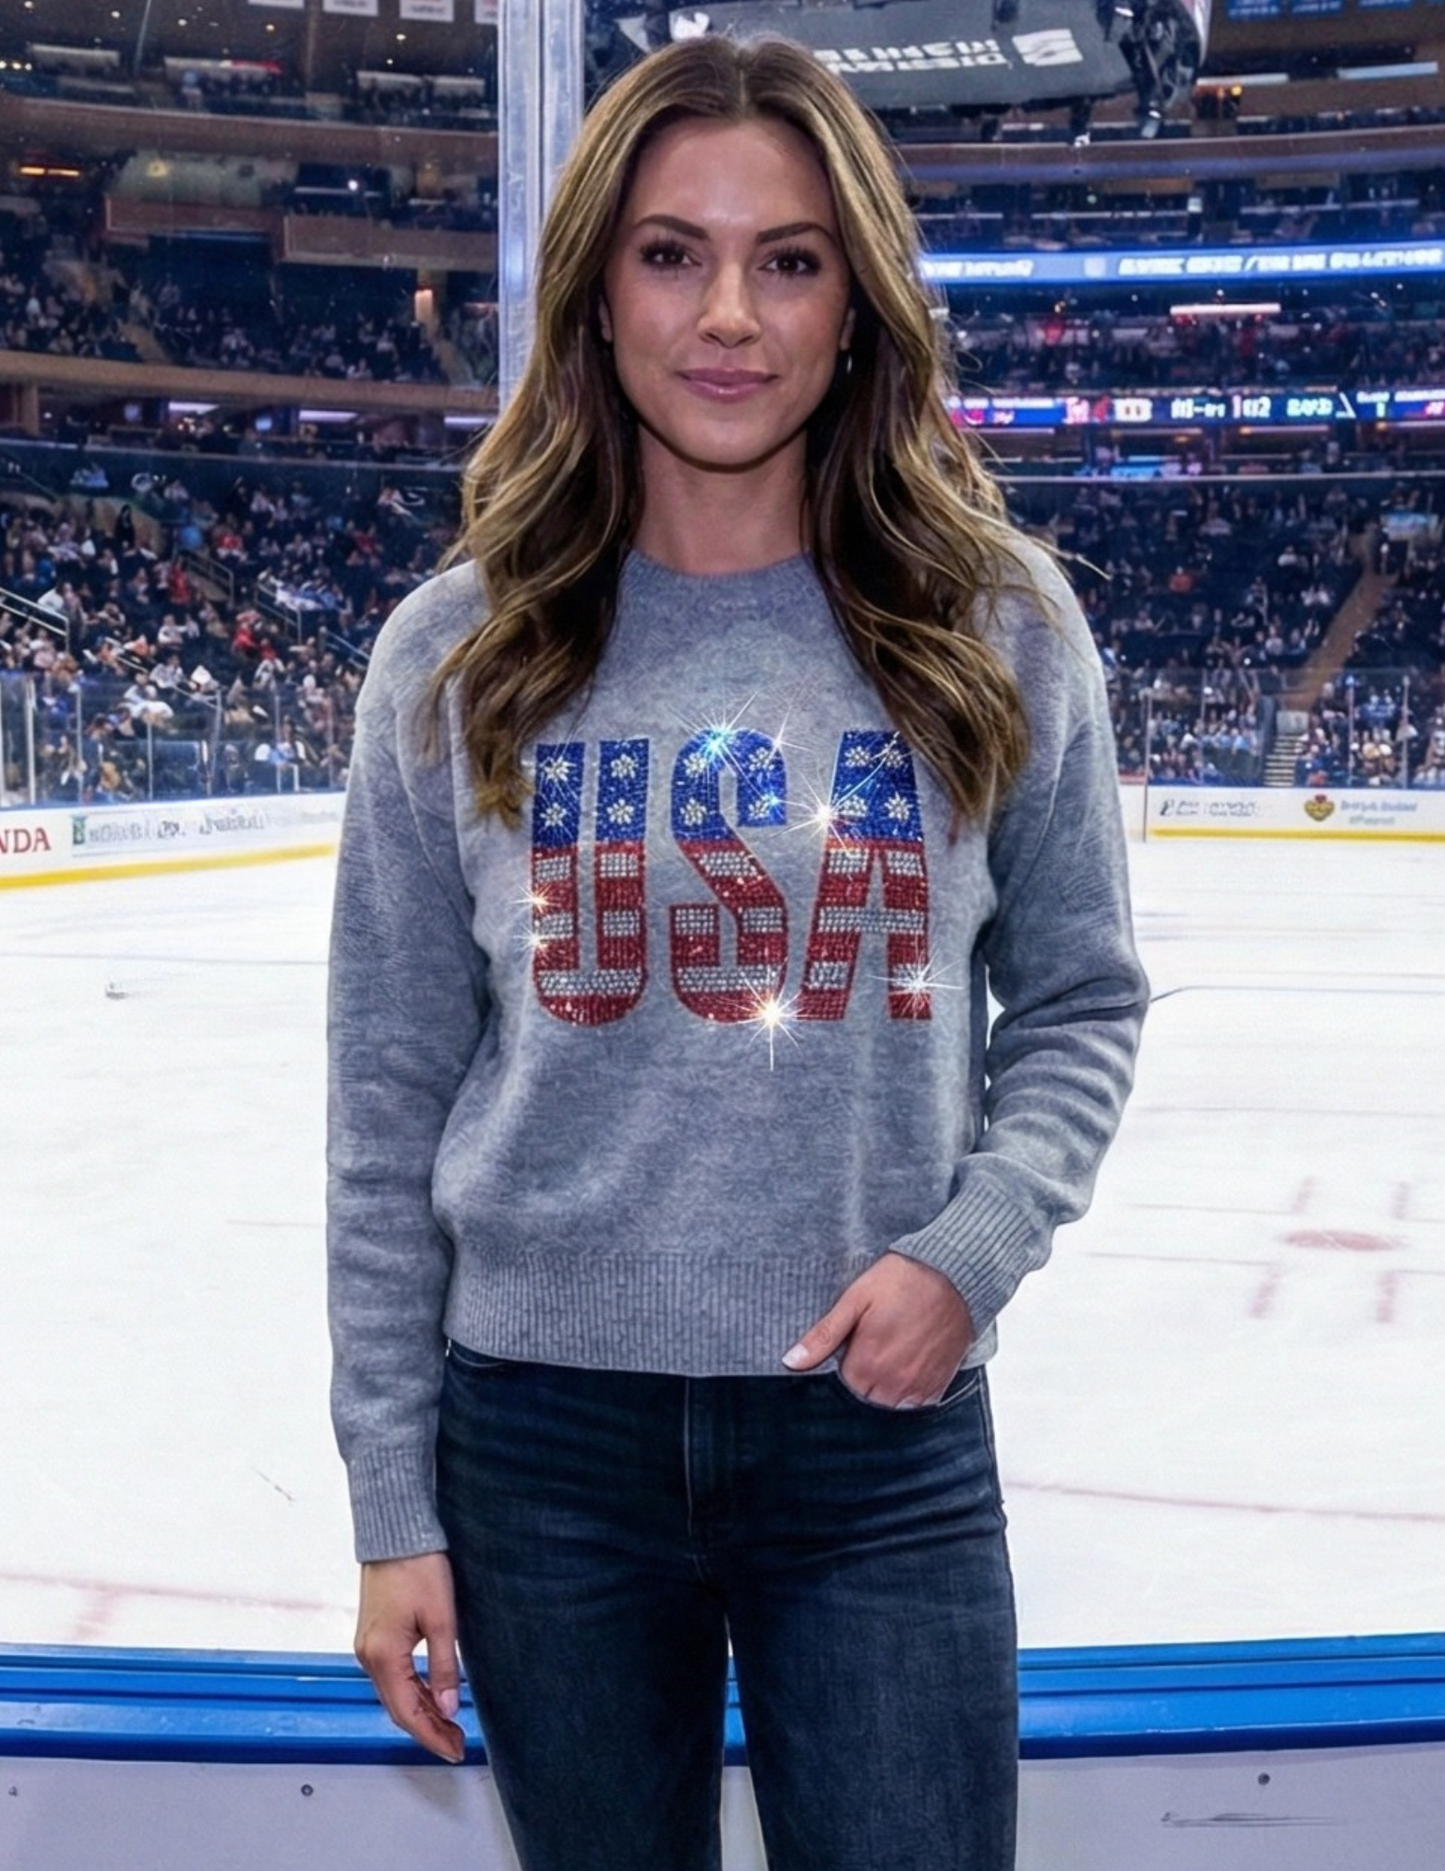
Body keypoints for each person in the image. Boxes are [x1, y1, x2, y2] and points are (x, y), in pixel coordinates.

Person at [327, 33, 1148, 1871]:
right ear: (594, 292)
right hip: (541, 1455)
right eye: (670, 250)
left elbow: (1084, 998)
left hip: (879, 1443)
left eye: (787, 259)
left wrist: (971, 1248)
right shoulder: (452, 655)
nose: (729, 314)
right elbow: (385, 1104)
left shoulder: (996, 627)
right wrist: (394, 1498)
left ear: (857, 302)